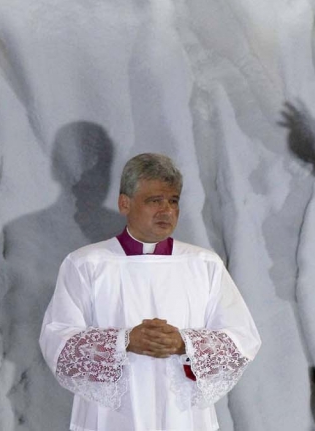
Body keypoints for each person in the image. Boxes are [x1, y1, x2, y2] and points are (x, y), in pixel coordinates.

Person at [39, 153, 261, 430]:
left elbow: (242, 339)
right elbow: (58, 341)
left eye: (173, 201)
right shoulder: (87, 263)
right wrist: (125, 341)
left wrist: (184, 344)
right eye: (155, 200)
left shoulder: (204, 264)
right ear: (125, 203)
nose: (167, 210)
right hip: (112, 415)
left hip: (182, 415)